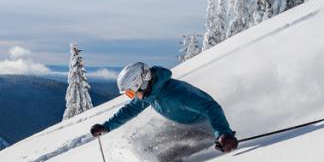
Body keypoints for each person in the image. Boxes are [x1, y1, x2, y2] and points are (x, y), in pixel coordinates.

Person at [89, 62, 238, 153]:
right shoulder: (150, 94)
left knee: (170, 154)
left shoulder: (175, 94)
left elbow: (210, 106)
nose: (132, 97)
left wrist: (223, 133)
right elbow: (129, 110)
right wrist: (106, 127)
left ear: (140, 84)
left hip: (205, 127)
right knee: (147, 145)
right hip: (184, 125)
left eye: (130, 93)